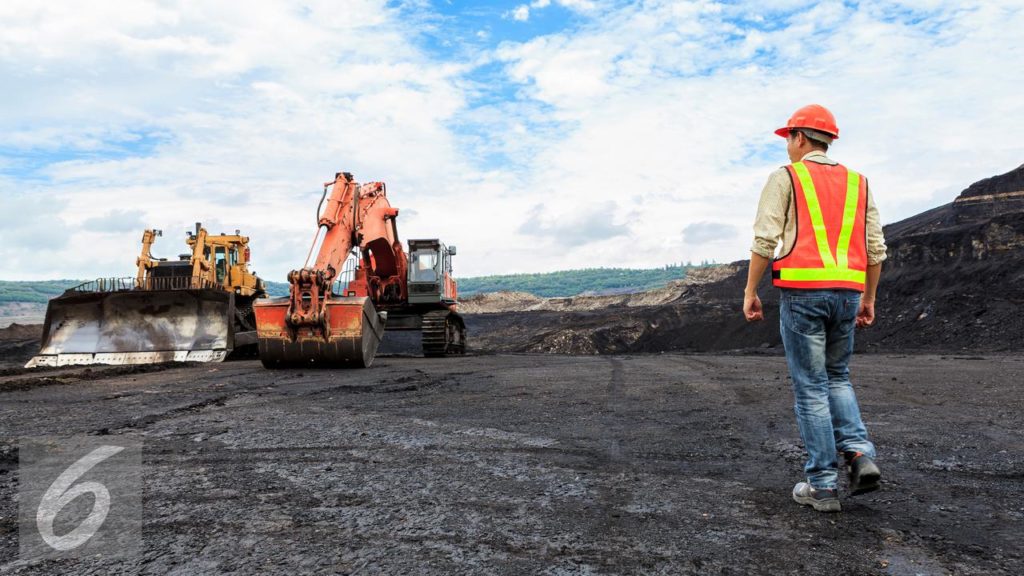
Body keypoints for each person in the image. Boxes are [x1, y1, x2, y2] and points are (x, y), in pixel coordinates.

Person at [743, 104, 886, 513]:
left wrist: (751, 290)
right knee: (838, 377)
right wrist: (869, 297)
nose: (787, 146)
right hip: (847, 293)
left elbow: (764, 240)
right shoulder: (859, 183)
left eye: (788, 137)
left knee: (811, 388)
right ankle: (859, 454)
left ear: (800, 138)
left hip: (804, 295)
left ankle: (822, 485)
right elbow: (875, 247)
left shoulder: (786, 176)